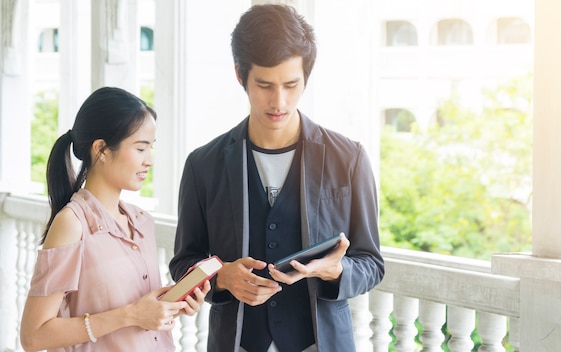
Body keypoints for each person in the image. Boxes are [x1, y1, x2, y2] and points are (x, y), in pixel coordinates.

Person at [169, 4, 384, 352]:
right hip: (236, 342)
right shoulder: (202, 165)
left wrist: (336, 271)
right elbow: (183, 262)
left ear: (306, 78)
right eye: (264, 85)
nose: (278, 101)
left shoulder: (349, 158)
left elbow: (371, 263)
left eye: (291, 84)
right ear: (240, 75)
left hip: (320, 342)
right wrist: (221, 277)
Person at [19, 87, 210, 352]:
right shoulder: (72, 224)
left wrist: (169, 305)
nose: (150, 161)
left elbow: (139, 315)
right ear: (102, 150)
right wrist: (131, 314)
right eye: (141, 148)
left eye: (150, 148)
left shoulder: (142, 222)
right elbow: (34, 336)